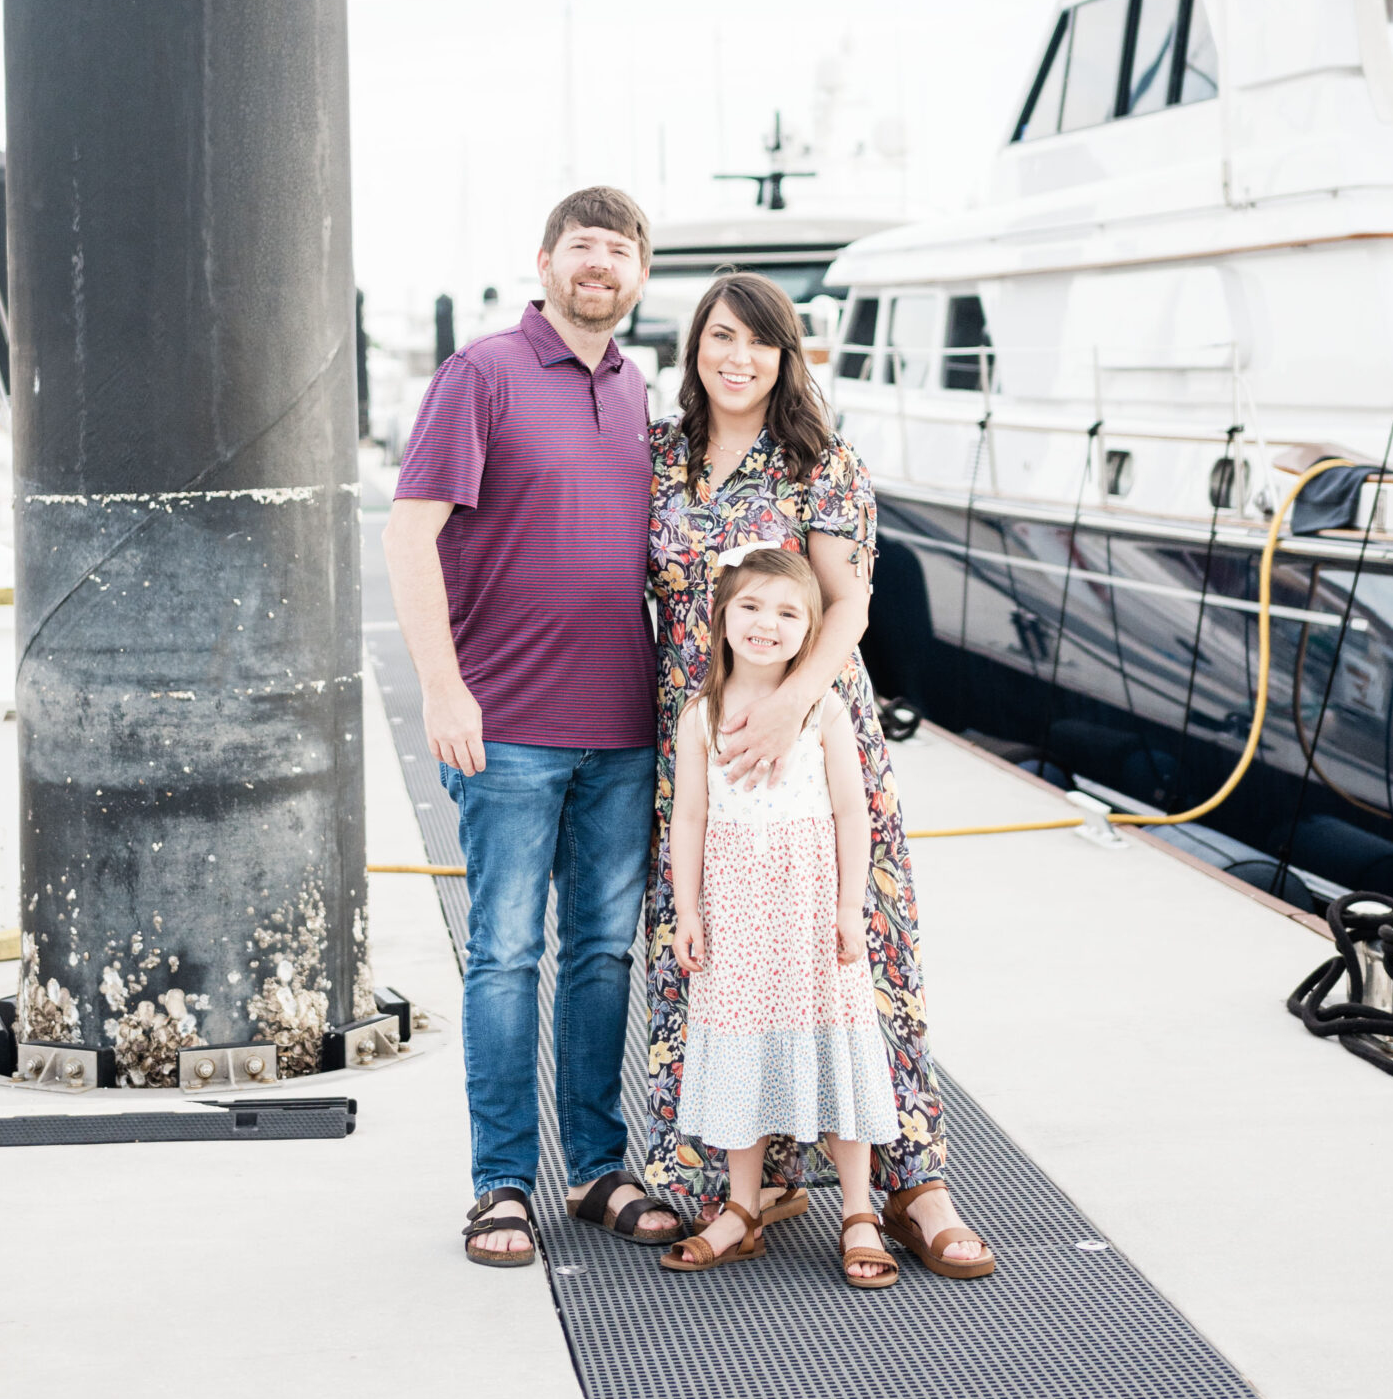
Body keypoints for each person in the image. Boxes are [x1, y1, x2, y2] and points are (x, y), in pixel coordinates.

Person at [644, 269, 994, 1279]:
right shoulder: (662, 459)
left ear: (785, 355)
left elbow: (847, 605)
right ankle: (744, 1183)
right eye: (720, 336)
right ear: (695, 347)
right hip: (703, 741)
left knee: (858, 960)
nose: (737, 357)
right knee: (715, 962)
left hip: (813, 733)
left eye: (759, 341)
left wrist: (795, 702)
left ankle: (911, 1182)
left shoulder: (818, 462)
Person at [385, 187, 681, 1265]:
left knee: (603, 953)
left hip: (622, 724)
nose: (600, 264)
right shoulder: (483, 375)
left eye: (620, 250)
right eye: (582, 246)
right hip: (504, 723)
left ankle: (598, 1168)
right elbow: (410, 537)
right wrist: (442, 686)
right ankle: (503, 1182)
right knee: (505, 954)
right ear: (545, 261)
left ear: (639, 276)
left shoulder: (636, 386)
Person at [662, 547, 903, 1287]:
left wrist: (847, 906)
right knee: (738, 1041)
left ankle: (858, 1209)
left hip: (806, 907)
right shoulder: (699, 716)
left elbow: (850, 813)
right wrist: (687, 908)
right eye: (752, 607)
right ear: (723, 618)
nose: (767, 624)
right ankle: (741, 1205)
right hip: (735, 907)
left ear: (811, 630)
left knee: (837, 1041)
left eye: (788, 612)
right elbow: (691, 817)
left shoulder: (823, 710)